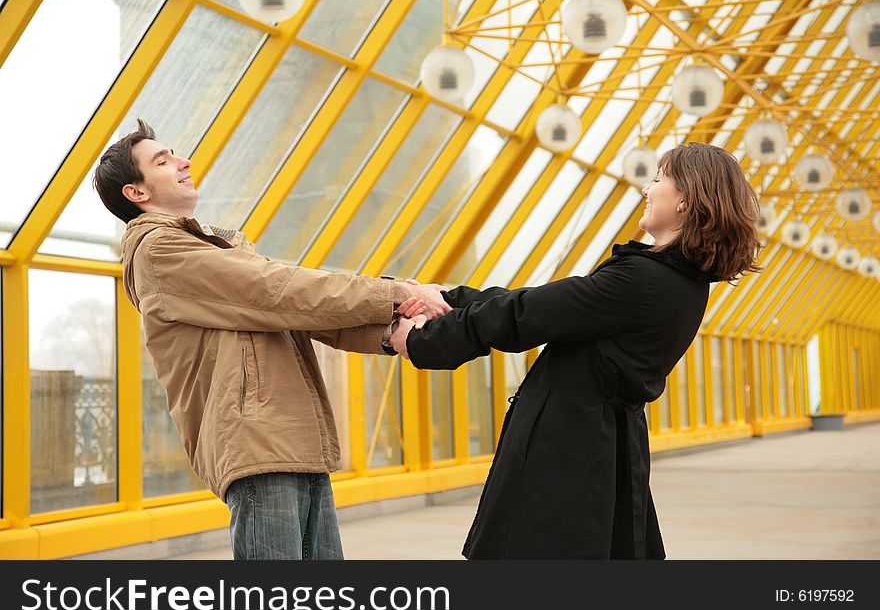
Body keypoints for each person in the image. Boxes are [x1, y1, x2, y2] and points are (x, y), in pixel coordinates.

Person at [93, 119, 451, 560]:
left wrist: (392, 330)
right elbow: (278, 289)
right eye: (163, 160)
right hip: (257, 441)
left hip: (289, 437)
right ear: (137, 193)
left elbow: (297, 313)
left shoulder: (207, 247)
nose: (184, 161)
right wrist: (395, 293)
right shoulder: (159, 251)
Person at [389, 142, 763, 559]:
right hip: (601, 451)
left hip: (569, 457)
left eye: (659, 178)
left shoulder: (641, 280)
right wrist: (450, 298)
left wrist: (418, 340)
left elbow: (526, 316)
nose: (646, 188)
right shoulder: (683, 285)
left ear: (686, 200)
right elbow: (545, 307)